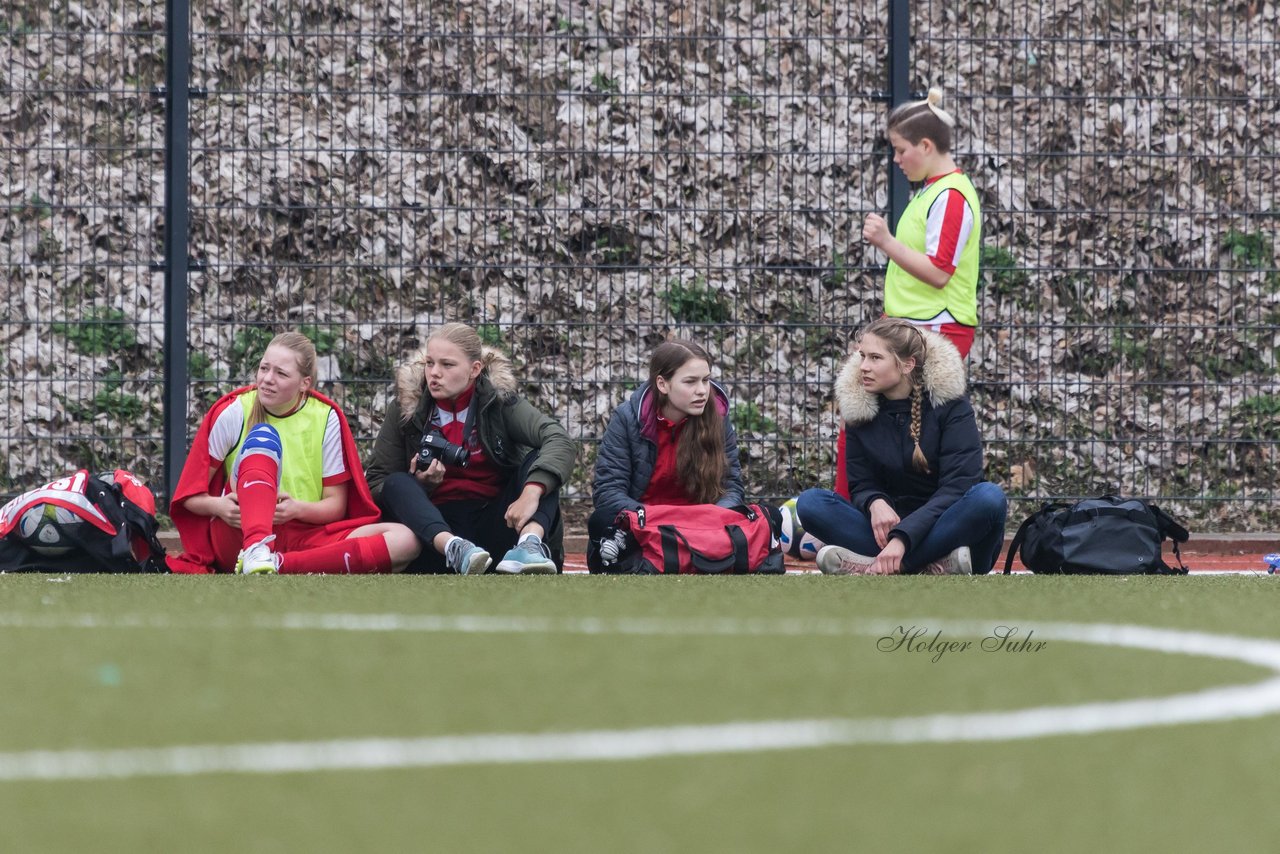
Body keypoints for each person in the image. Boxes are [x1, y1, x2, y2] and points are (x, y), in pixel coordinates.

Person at [170, 331, 421, 574]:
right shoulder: (234, 411)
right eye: (264, 368)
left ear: (305, 383)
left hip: (305, 534)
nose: (267, 378)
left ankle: (279, 565)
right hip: (239, 535)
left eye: (281, 373)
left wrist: (296, 509)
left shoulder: (326, 417)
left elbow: (335, 506)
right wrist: (220, 506)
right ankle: (257, 550)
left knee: (406, 540)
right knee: (263, 438)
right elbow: (189, 498)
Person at [836, 87, 983, 499]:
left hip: (935, 329)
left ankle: (883, 518)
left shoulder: (951, 195)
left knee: (898, 426)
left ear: (925, 145)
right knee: (858, 415)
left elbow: (939, 272)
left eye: (901, 151)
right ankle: (857, 512)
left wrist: (885, 241)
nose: (897, 160)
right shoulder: (933, 190)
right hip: (909, 327)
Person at [797, 318, 1006, 575]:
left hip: (946, 525)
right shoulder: (859, 409)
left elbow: (958, 487)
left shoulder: (952, 407)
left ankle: (894, 565)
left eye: (875, 358)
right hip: (886, 534)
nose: (863, 367)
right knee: (810, 503)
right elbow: (861, 483)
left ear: (907, 365)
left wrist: (903, 540)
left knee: (989, 498)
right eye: (862, 356)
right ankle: (936, 565)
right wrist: (875, 502)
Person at [364, 323, 578, 574]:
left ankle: (528, 546)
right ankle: (456, 548)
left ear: (475, 369)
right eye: (430, 363)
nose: (434, 373)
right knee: (396, 482)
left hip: (497, 527)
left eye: (447, 365)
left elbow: (559, 439)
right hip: (434, 536)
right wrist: (421, 486)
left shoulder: (499, 402)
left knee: (541, 468)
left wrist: (530, 493)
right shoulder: (405, 408)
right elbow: (376, 482)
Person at [589, 338, 746, 572]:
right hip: (645, 525)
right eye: (690, 382)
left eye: (706, 380)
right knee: (601, 520)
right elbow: (608, 492)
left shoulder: (718, 418)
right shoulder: (627, 419)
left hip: (701, 528)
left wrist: (710, 517)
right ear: (662, 384)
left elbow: (732, 487)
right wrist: (655, 518)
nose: (702, 391)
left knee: (767, 517)